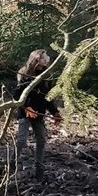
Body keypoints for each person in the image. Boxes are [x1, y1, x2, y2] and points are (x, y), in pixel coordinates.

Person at [13, 49, 64, 179]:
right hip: (26, 114)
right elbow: (17, 95)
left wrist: (55, 113)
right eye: (43, 57)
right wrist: (26, 108)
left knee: (41, 139)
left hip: (40, 114)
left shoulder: (47, 76)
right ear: (36, 59)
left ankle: (39, 168)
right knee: (21, 140)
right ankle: (12, 164)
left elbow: (48, 97)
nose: (46, 60)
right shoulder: (25, 74)